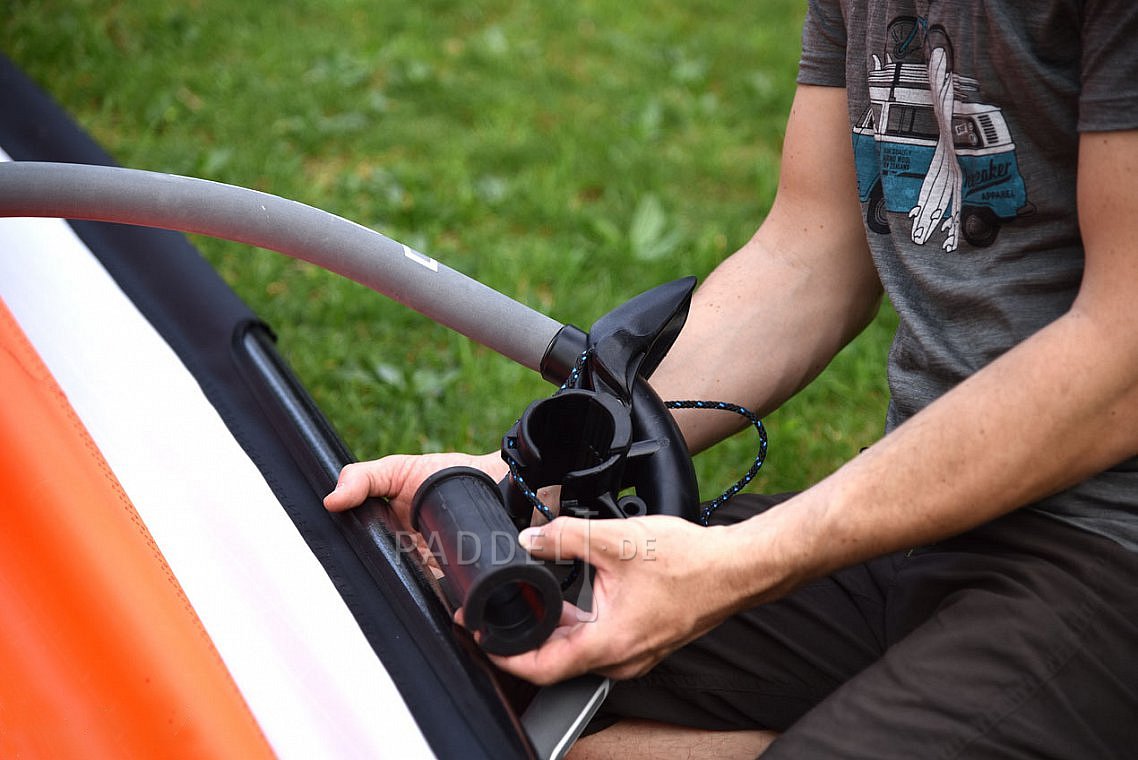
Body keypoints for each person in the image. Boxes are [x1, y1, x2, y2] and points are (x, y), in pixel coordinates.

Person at [326, 1, 1138, 756]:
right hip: (922, 516)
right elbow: (812, 253)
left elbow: (1122, 362)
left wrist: (743, 564)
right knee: (442, 658)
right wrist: (521, 477)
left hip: (1105, 553)